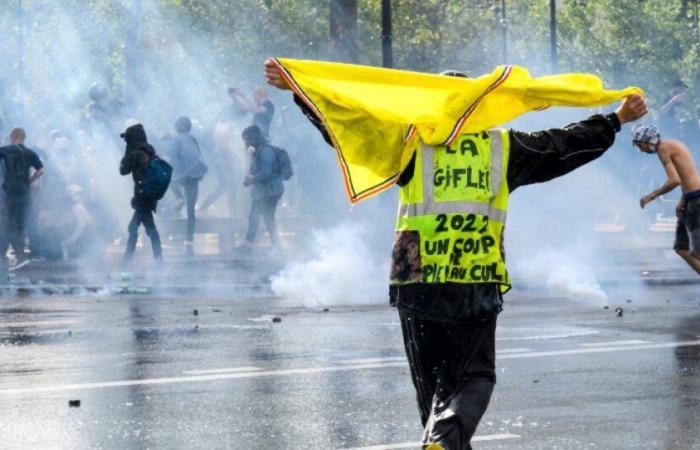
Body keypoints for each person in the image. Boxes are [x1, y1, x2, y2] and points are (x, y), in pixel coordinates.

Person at [264, 60, 647, 449]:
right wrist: (615, 120)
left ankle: (441, 443)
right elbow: (563, 145)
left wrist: (302, 92)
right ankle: (444, 443)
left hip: (415, 279)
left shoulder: (409, 143)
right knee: (473, 378)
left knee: (433, 392)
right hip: (474, 277)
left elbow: (350, 128)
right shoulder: (503, 146)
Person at [633, 125, 700, 276]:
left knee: (696, 252)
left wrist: (651, 196)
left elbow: (674, 180)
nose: (641, 150)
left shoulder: (663, 149)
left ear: (647, 140)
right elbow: (687, 175)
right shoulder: (673, 144)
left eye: (640, 145)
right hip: (691, 198)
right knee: (682, 249)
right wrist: (683, 199)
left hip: (696, 200)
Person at [0, 128, 45, 269]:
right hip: (25, 193)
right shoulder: (30, 152)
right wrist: (29, 181)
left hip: (10, 193)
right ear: (23, 138)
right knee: (22, 223)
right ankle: (19, 255)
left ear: (13, 137)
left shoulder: (5, 150)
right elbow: (41, 171)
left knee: (9, 223)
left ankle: (15, 255)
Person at [119, 123, 162, 264]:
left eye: (128, 140)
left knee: (142, 228)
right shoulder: (149, 150)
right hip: (148, 195)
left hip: (142, 196)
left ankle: (129, 261)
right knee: (142, 227)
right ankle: (157, 260)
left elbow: (123, 170)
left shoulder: (135, 153)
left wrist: (127, 151)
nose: (127, 142)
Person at [239, 125, 283, 252]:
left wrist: (252, 179)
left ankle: (249, 247)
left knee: (256, 216)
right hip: (267, 190)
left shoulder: (265, 151)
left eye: (246, 140)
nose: (245, 143)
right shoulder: (259, 150)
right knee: (265, 217)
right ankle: (275, 246)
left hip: (270, 190)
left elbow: (266, 172)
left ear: (252, 139)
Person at [169, 116, 207, 257]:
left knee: (168, 180)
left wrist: (176, 173)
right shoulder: (193, 139)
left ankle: (179, 197)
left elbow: (173, 157)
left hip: (182, 176)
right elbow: (199, 156)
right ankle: (189, 244)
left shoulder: (176, 139)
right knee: (191, 212)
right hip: (195, 176)